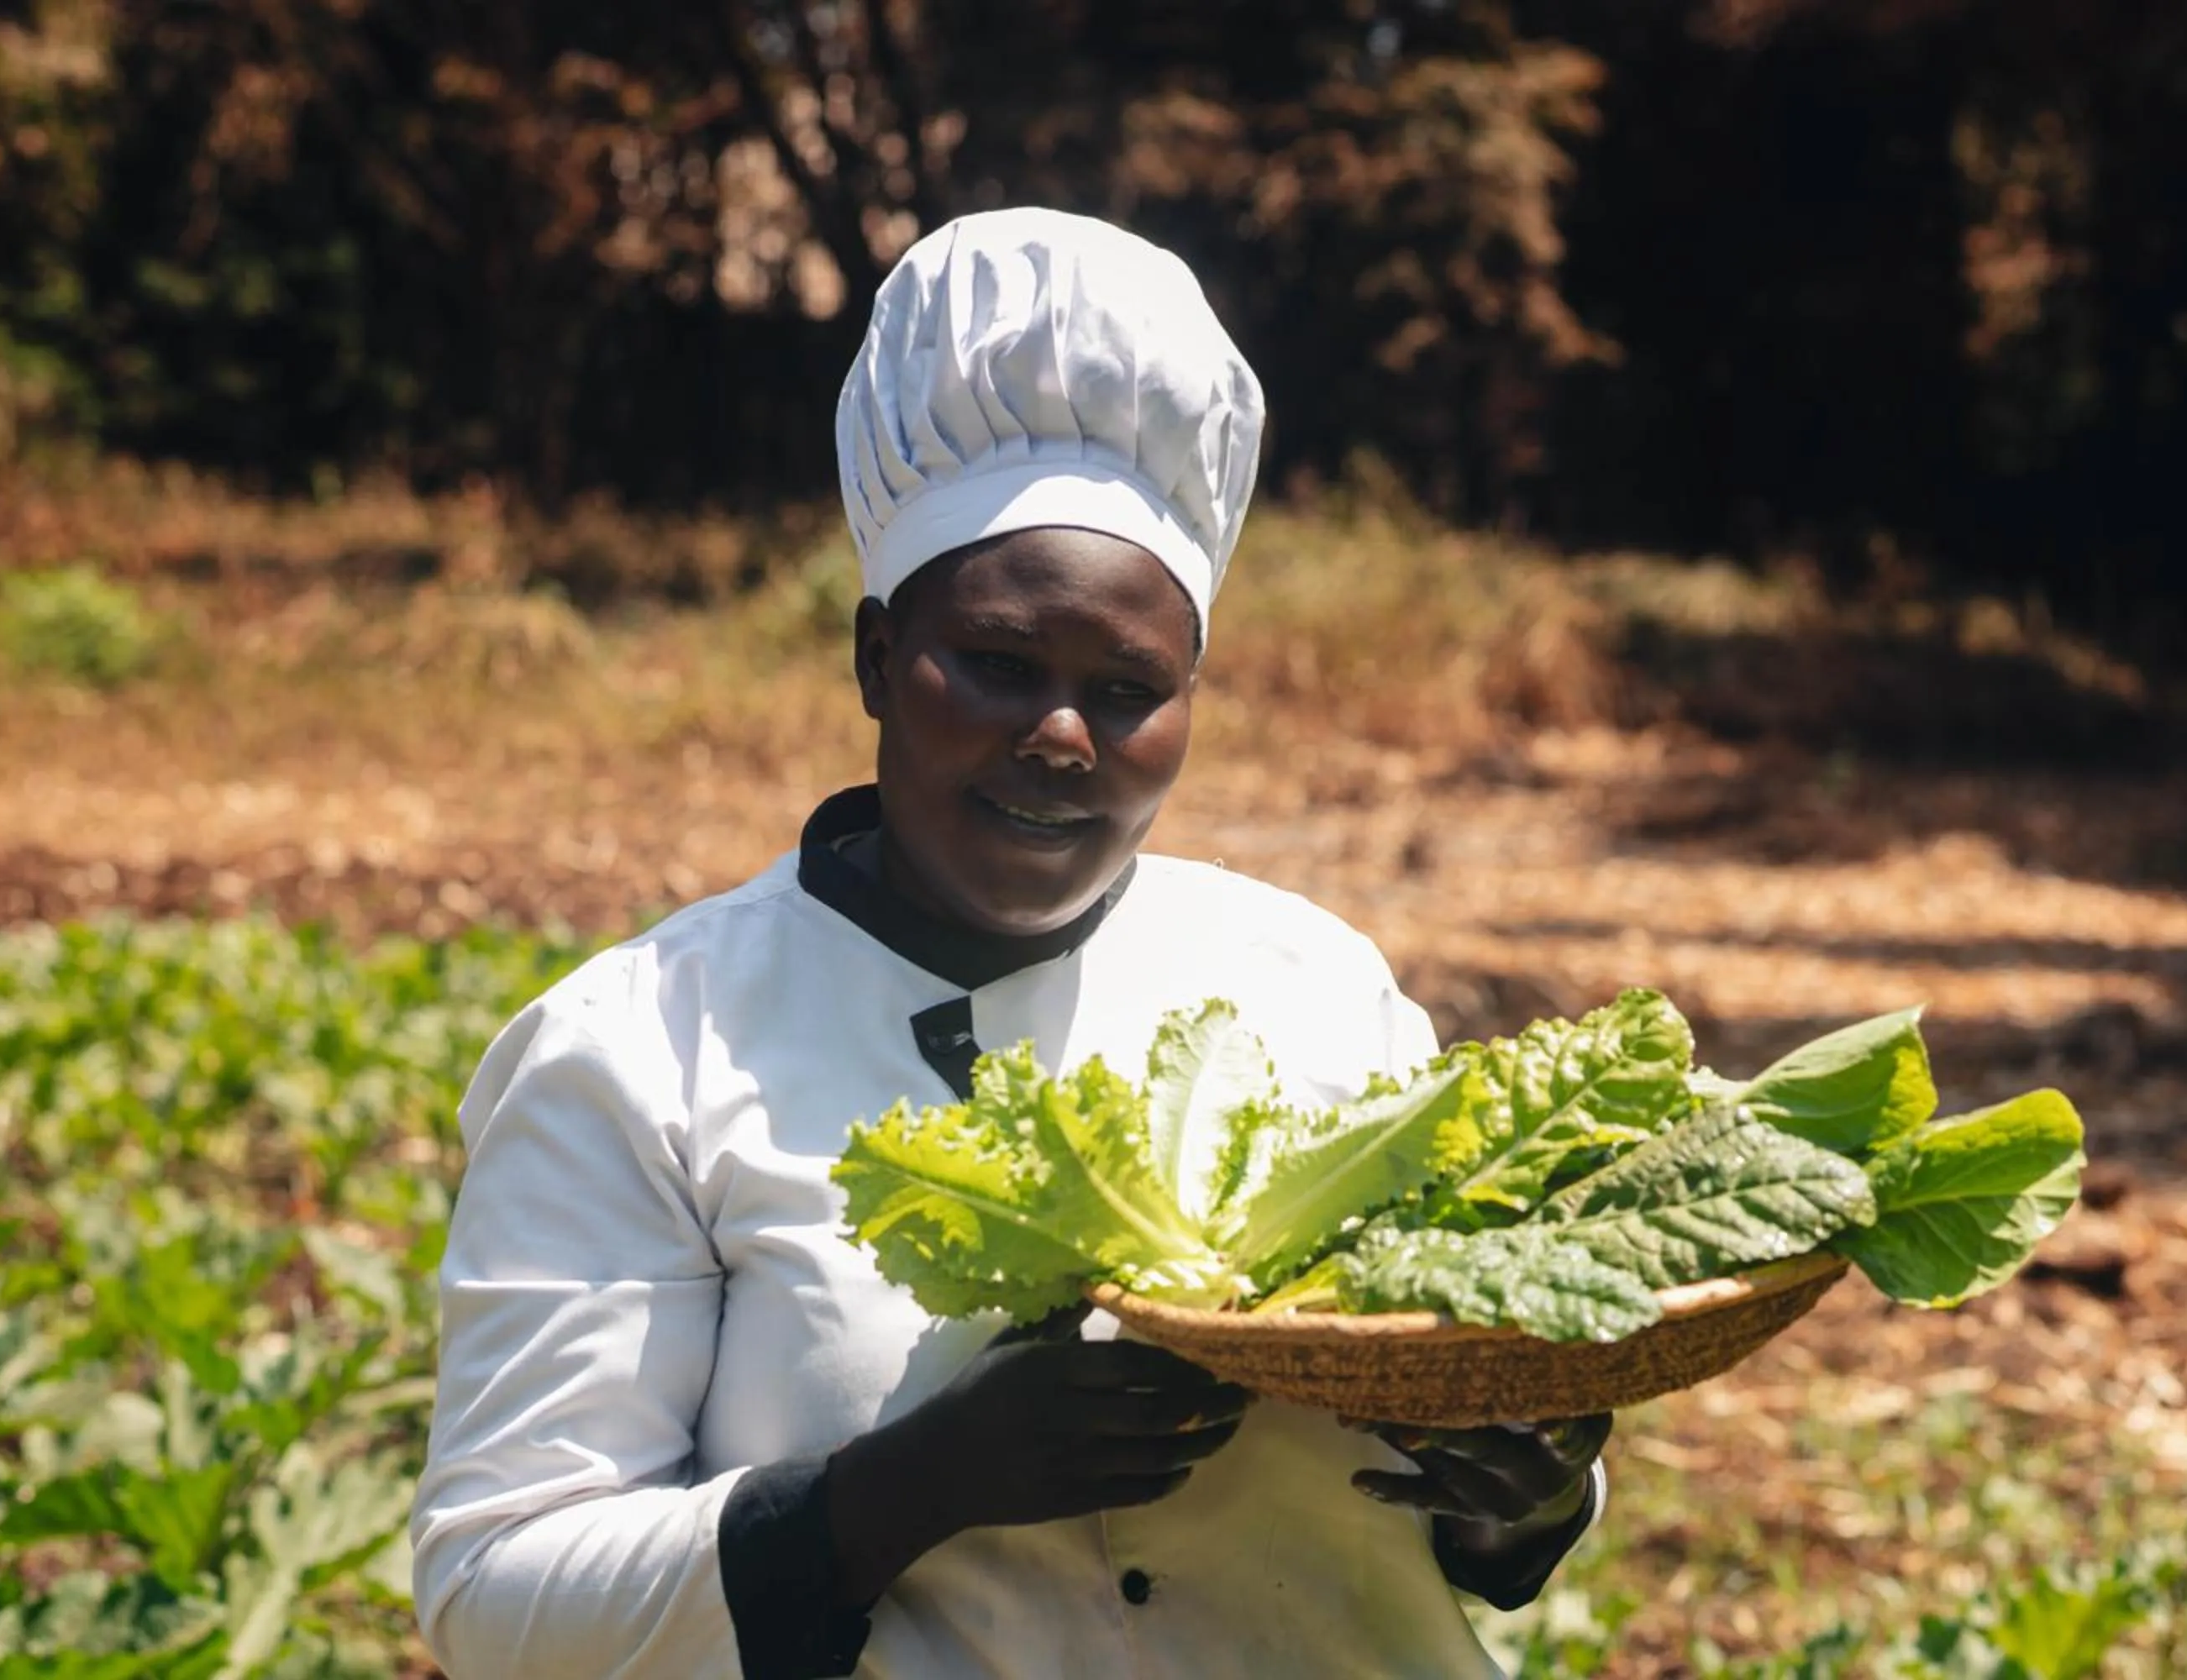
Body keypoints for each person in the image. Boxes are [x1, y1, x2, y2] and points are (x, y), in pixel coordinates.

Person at [408, 207, 1611, 1680]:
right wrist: (897, 1494)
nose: (1058, 737)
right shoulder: (642, 1050)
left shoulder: (1317, 996)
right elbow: (495, 1593)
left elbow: (1484, 1505)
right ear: (872, 658)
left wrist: (1532, 1493)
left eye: (1127, 688)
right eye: (993, 664)